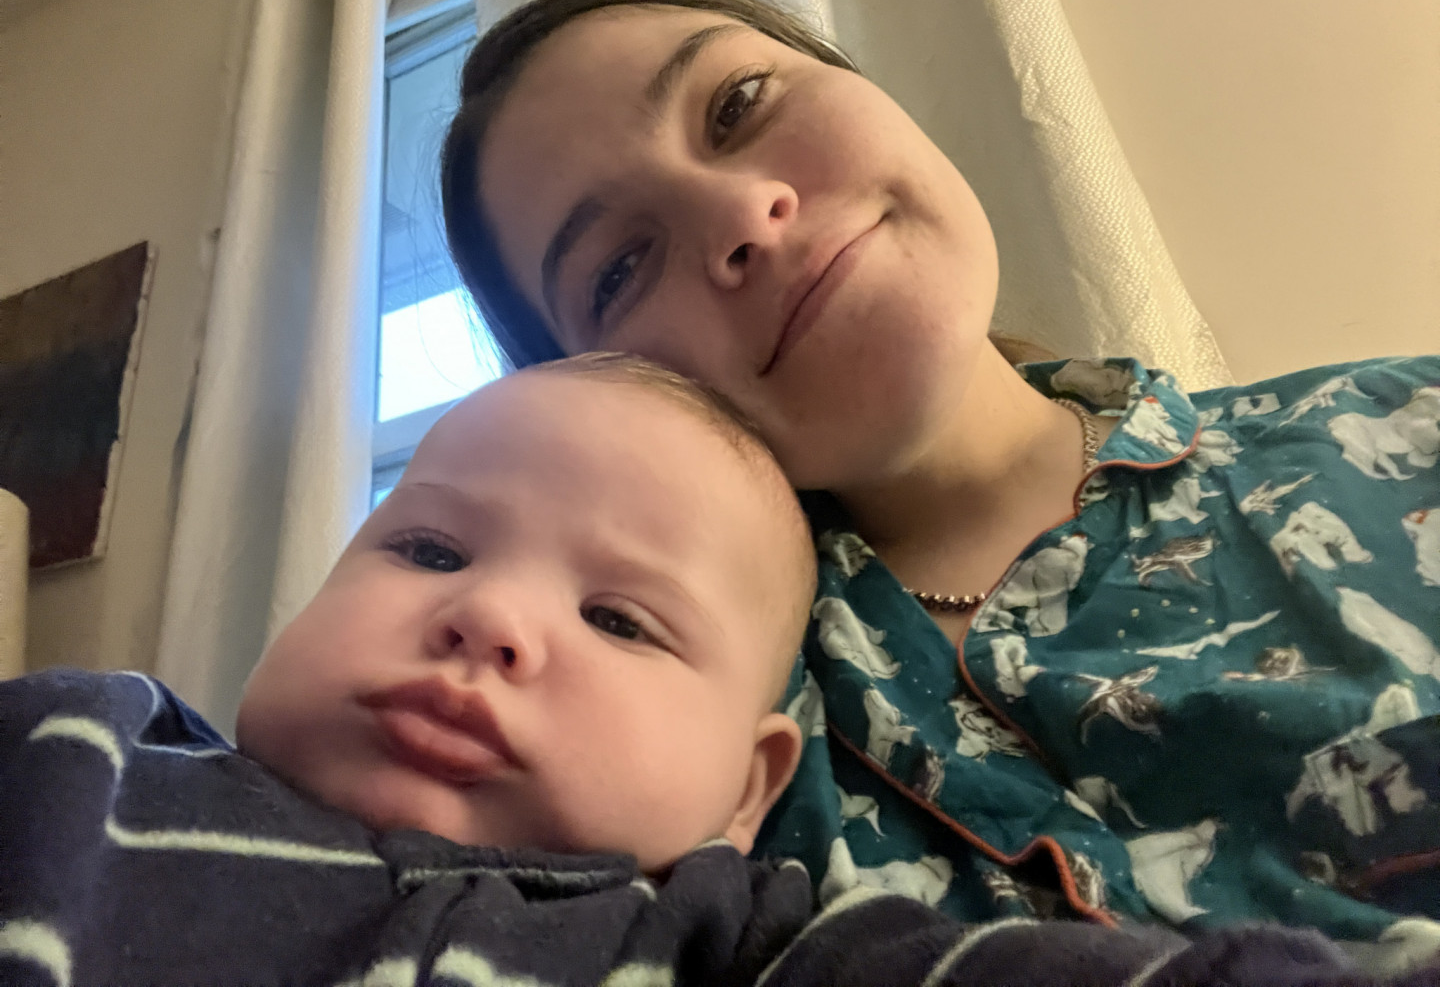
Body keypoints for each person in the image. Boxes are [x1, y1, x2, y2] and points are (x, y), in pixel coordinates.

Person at [436, 0, 1440, 968]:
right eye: (619, 268)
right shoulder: (675, 749)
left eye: (738, 103)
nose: (744, 211)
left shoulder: (1408, 429)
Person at [8, 354, 1383, 985]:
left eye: (620, 621)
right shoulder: (85, 761)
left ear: (745, 787)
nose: (490, 619)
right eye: (427, 550)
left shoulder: (736, 943)